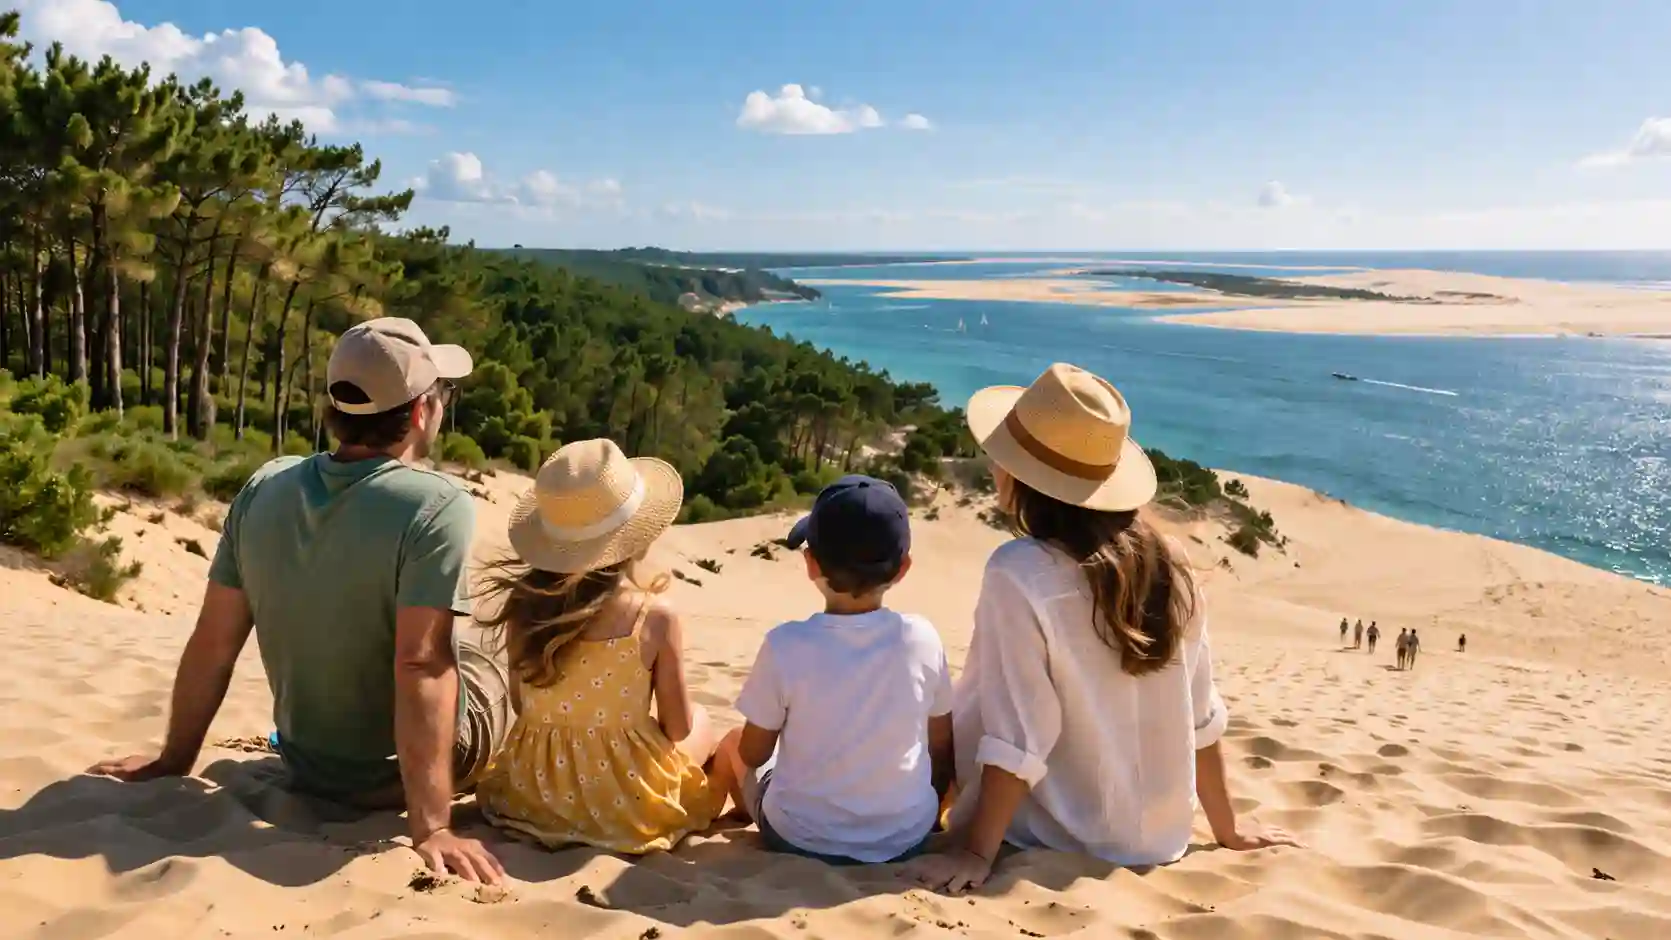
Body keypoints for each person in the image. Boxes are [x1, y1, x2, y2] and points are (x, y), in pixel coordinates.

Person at [89, 318, 513, 884]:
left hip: (306, 765)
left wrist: (173, 761)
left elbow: (214, 642)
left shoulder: (265, 485)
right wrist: (431, 826)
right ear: (420, 412)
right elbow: (421, 665)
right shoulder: (437, 506)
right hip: (392, 782)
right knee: (489, 663)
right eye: (443, 394)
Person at [908, 363, 1297, 896]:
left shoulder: (1018, 572)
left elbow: (1019, 735)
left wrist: (977, 851)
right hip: (1159, 839)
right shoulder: (1172, 562)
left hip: (1056, 832)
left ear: (1024, 478)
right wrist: (1226, 827)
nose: (994, 465)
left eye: (1004, 456)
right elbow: (1199, 712)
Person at [474, 439, 730, 854]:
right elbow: (677, 728)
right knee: (700, 721)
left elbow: (523, 706)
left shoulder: (523, 609)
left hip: (532, 795)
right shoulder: (653, 617)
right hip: (623, 805)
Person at [716, 475, 954, 865]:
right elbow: (941, 745)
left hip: (798, 838)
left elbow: (753, 752)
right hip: (906, 838)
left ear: (811, 564)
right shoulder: (923, 638)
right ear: (903, 568)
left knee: (730, 745)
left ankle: (723, 816)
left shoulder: (785, 645)